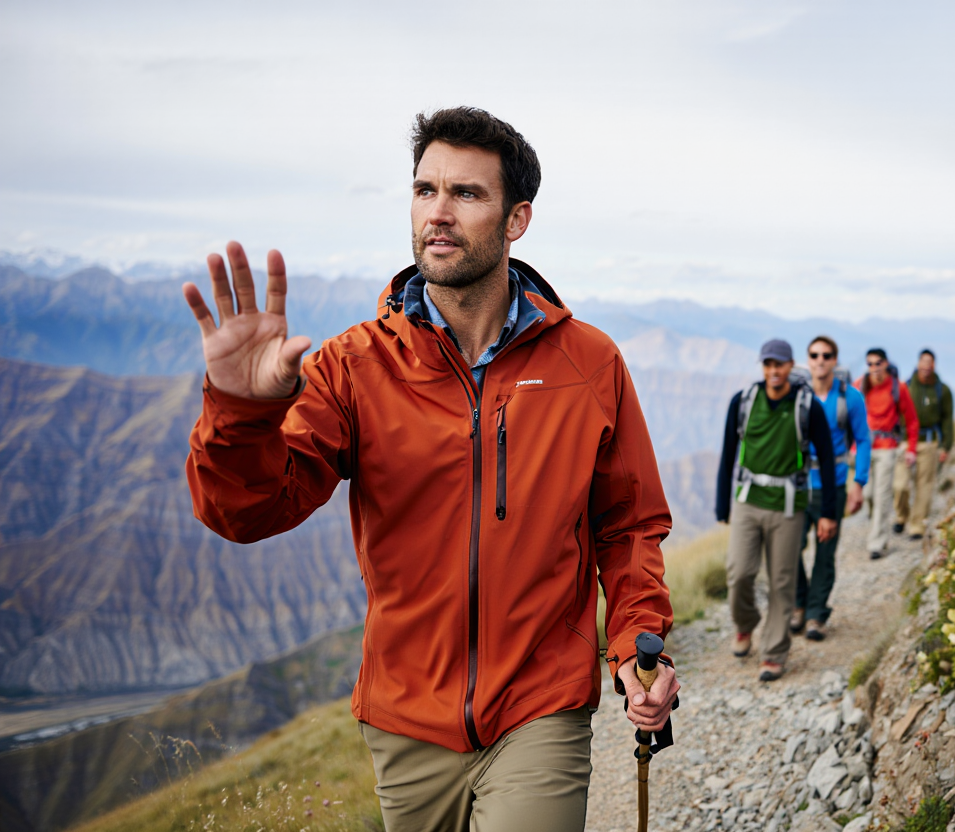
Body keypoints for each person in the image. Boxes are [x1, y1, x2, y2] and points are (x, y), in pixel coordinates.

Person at [182, 107, 678, 832]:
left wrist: (638, 644)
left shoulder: (589, 363)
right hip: (406, 721)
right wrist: (239, 410)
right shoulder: (354, 366)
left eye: (467, 195)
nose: (437, 214)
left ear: (517, 220)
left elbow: (629, 527)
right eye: (425, 190)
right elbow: (249, 513)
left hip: (540, 704)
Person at [715, 339, 840, 681]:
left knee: (782, 582)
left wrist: (828, 511)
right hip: (747, 501)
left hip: (788, 505)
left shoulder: (806, 406)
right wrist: (721, 502)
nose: (774, 371)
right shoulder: (743, 403)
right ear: (762, 366)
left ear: (790, 366)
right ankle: (745, 625)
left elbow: (827, 460)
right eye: (768, 364)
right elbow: (728, 453)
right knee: (738, 573)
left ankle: (774, 652)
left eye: (780, 365)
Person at [791, 336, 870, 641]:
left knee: (825, 552)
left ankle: (815, 615)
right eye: (814, 355)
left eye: (826, 355)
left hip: (833, 486)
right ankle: (799, 604)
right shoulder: (797, 396)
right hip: (798, 486)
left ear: (835, 360)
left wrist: (859, 483)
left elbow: (863, 440)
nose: (820, 360)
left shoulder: (851, 398)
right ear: (808, 360)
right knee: (790, 548)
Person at [854, 348, 918, 560]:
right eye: (870, 364)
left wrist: (911, 448)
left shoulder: (897, 388)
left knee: (882, 496)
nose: (874, 368)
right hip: (864, 447)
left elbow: (911, 419)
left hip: (888, 446)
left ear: (886, 363)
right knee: (868, 494)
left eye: (878, 363)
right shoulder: (860, 385)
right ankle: (876, 523)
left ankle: (877, 543)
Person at [892, 349, 954, 540]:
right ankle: (902, 515)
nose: (927, 366)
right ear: (918, 363)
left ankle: (917, 525)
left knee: (924, 485)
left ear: (934, 365)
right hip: (905, 441)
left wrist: (946, 446)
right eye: (924, 362)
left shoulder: (942, 390)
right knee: (900, 484)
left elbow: (947, 420)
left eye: (930, 362)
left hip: (929, 442)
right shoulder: (906, 387)